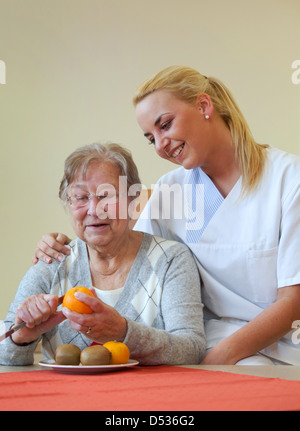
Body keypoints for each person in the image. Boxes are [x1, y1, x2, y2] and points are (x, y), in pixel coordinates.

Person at [32, 66, 300, 366]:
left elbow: (293, 300)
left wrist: (216, 361)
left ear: (204, 106)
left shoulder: (289, 180)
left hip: (281, 347)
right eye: (150, 138)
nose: (160, 145)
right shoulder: (171, 189)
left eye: (166, 125)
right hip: (208, 343)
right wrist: (64, 244)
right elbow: (127, 248)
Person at [0, 142, 206, 366]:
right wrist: (22, 338)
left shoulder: (170, 260)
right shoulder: (52, 261)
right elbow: (5, 354)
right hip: (64, 398)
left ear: (132, 200)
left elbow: (191, 349)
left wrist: (124, 332)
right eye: (80, 197)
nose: (94, 209)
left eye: (107, 195)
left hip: (148, 398)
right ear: (68, 204)